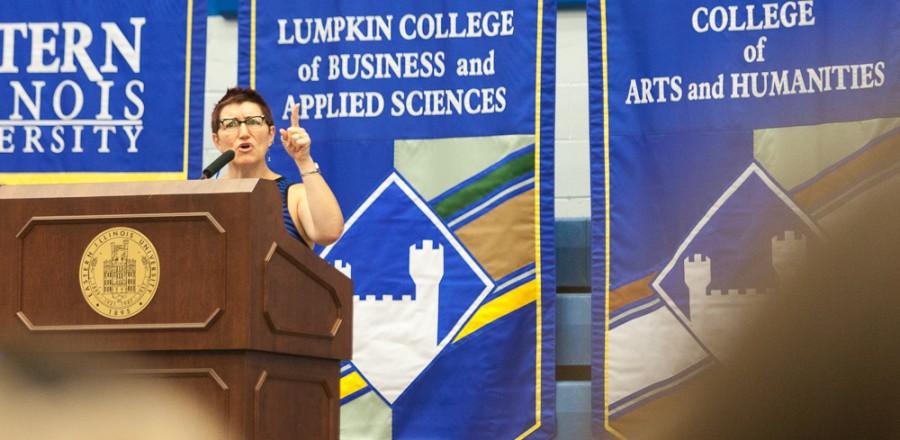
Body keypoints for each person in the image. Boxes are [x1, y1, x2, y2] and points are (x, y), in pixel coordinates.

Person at [210, 87, 343, 247]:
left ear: (271, 134)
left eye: (253, 121)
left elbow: (328, 232)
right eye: (231, 124)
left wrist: (303, 159)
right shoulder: (202, 197)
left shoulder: (294, 196)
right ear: (216, 140)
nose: (244, 133)